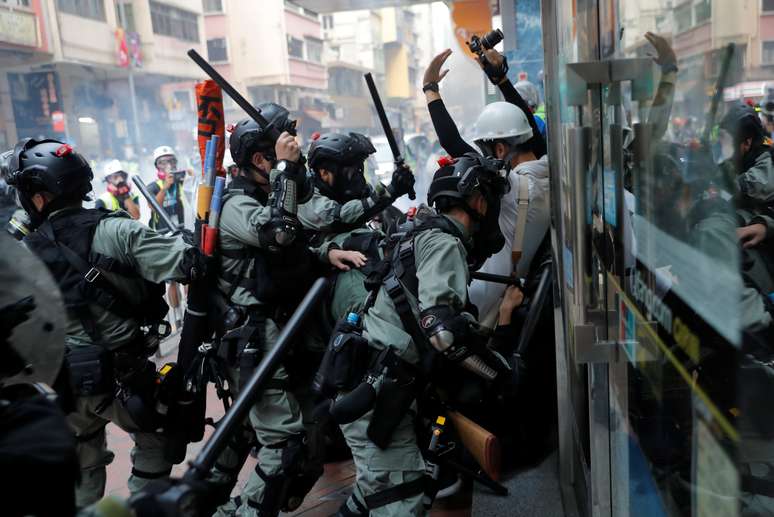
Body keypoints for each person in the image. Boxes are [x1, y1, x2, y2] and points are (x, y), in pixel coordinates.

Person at [5, 137, 208, 509]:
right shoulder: (119, 231)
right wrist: (186, 242)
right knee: (156, 444)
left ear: (39, 198)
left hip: (64, 386)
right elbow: (189, 264)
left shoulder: (22, 253)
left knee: (81, 467)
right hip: (125, 378)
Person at [207, 103, 362, 517]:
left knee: (263, 434)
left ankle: (207, 505)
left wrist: (325, 253)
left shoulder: (266, 193)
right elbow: (278, 233)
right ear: (261, 160)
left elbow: (292, 246)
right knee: (283, 446)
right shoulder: (237, 204)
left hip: (282, 334)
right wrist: (286, 170)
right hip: (254, 340)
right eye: (276, 151)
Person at [334, 153, 511, 517]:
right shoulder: (445, 243)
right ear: (479, 202)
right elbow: (441, 330)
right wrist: (500, 371)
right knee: (401, 498)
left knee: (372, 492)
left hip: (370, 380)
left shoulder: (417, 234)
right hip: (380, 389)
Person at [146, 146, 188, 327]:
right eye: (163, 162)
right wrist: (166, 186)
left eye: (171, 161)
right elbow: (152, 206)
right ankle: (177, 315)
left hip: (182, 231)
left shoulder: (180, 181)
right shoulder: (153, 186)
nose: (168, 165)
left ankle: (189, 310)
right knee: (171, 280)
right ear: (157, 166)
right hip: (164, 236)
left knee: (188, 273)